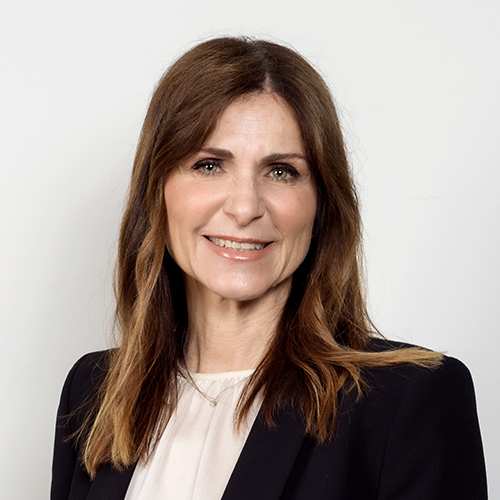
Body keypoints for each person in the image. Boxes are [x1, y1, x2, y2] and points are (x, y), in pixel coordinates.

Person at [51, 37, 487, 500]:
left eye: (281, 171)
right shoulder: (95, 391)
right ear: (156, 191)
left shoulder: (408, 399)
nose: (245, 208)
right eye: (209, 165)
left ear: (321, 205)